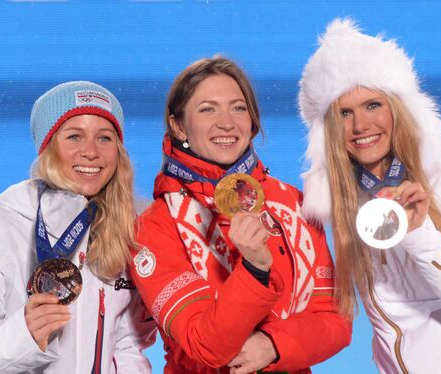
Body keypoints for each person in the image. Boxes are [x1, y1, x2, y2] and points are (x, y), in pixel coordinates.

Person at [298, 18, 441, 373]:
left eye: (373, 105)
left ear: (401, 108)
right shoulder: (346, 196)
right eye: (344, 113)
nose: (361, 126)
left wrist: (419, 232)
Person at [129, 56, 351, 374]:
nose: (227, 123)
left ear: (252, 121)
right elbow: (205, 345)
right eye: (207, 109)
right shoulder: (155, 226)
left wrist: (273, 345)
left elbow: (335, 321)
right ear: (178, 125)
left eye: (238, 107)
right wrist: (255, 270)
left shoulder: (293, 203)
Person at [0, 81, 156, 373]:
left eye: (104, 138)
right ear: (48, 148)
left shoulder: (122, 232)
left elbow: (125, 343)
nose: (91, 152)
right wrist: (22, 335)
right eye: (74, 137)